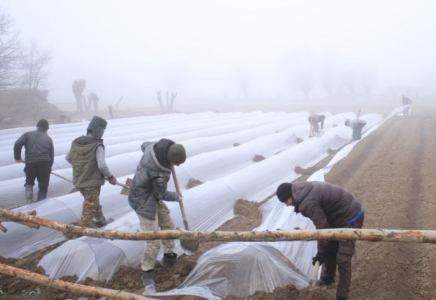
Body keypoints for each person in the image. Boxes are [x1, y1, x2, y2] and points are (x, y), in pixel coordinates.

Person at [276, 181, 364, 300]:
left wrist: (321, 253)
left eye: (286, 202)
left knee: (343, 257)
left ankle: (342, 296)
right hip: (337, 217)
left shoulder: (306, 203)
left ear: (290, 196)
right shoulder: (301, 190)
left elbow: (322, 229)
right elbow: (324, 230)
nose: (287, 205)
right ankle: (328, 278)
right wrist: (323, 251)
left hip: (350, 216)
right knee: (329, 245)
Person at [128, 138, 186, 294]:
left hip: (150, 195)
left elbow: (143, 144)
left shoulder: (153, 148)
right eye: (176, 163)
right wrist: (177, 196)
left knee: (168, 226)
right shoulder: (159, 173)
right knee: (153, 240)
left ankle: (169, 257)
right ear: (170, 160)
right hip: (142, 200)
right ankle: (147, 272)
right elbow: (160, 193)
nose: (176, 167)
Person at [65, 116, 117, 228]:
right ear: (99, 131)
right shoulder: (97, 145)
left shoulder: (76, 142)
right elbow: (102, 165)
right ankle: (79, 229)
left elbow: (68, 158)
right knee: (89, 205)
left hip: (79, 180)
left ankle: (100, 220)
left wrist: (80, 167)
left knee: (92, 200)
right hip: (91, 182)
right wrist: (110, 177)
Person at [14, 119, 54, 204]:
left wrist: (17, 157)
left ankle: (29, 201)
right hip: (44, 162)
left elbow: (18, 143)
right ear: (46, 129)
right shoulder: (48, 138)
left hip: (31, 162)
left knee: (29, 182)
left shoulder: (27, 134)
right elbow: (51, 155)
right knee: (43, 185)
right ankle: (41, 205)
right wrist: (48, 168)